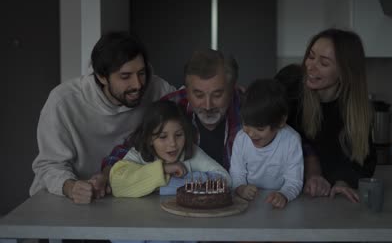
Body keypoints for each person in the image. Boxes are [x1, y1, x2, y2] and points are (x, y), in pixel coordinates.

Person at [29, 31, 175, 204]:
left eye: (142, 73)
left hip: (124, 198)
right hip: (64, 200)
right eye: (125, 76)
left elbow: (189, 108)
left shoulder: (156, 88)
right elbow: (48, 166)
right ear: (101, 76)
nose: (137, 85)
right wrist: (72, 187)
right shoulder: (63, 101)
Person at [275, 28, 376, 203]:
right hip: (284, 196)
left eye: (324, 63)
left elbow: (364, 163)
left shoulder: (356, 112)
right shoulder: (289, 88)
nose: (311, 66)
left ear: (345, 72)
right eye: (311, 56)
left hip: (329, 203)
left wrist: (343, 181)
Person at [102, 49, 242, 171]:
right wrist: (107, 174)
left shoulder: (248, 106)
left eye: (217, 95)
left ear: (232, 89)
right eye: (198, 95)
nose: (207, 106)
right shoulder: (170, 106)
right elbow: (129, 148)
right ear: (186, 91)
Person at [110, 100, 230, 197]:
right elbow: (116, 183)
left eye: (178, 135)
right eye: (163, 137)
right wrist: (163, 170)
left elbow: (225, 179)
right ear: (149, 138)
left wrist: (182, 182)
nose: (173, 144)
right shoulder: (138, 154)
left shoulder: (192, 152)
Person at [229, 79, 303, 209]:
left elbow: (294, 180)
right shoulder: (241, 138)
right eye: (246, 124)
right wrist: (240, 188)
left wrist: (284, 195)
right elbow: (237, 173)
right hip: (248, 205)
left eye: (260, 129)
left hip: (277, 206)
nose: (251, 134)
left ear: (281, 122)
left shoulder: (291, 141)